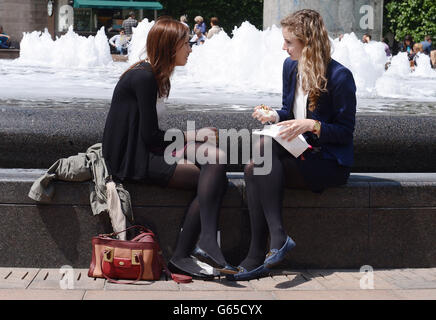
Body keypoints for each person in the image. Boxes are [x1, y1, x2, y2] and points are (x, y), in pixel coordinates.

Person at [227, 9, 356, 281]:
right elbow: (289, 112)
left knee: (257, 163)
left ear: (308, 42)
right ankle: (271, 244)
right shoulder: (290, 67)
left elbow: (345, 133)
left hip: (327, 161)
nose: (283, 47)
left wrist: (313, 125)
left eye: (289, 42)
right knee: (253, 167)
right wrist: (273, 115)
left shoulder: (340, 77)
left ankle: (264, 248)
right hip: (300, 153)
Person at [102, 17, 237, 279]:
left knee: (216, 159)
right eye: (186, 43)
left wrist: (193, 141)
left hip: (144, 149)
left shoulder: (154, 75)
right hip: (132, 158)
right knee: (212, 179)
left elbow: (153, 134)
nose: (190, 48)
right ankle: (187, 253)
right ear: (170, 47)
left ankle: (202, 244)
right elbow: (151, 136)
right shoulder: (144, 78)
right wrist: (194, 135)